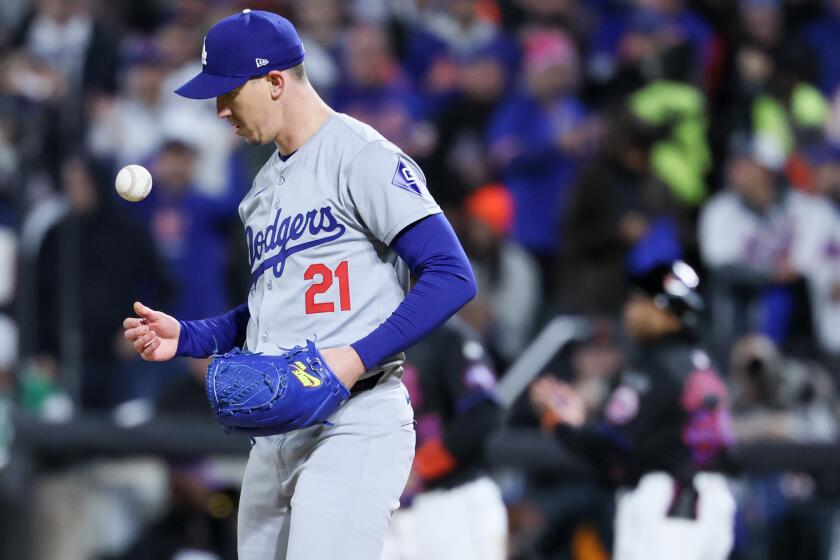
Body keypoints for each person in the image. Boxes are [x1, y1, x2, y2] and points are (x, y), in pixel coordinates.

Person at [121, 10, 476, 560]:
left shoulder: (362, 155)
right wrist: (189, 336)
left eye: (228, 93)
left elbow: (452, 275)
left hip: (354, 420)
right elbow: (272, 305)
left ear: (275, 81)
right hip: (278, 431)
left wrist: (356, 357)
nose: (220, 111)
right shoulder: (263, 186)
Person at [530, 260, 736, 560]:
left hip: (670, 508)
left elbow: (613, 450)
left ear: (663, 311)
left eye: (640, 301)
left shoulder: (655, 369)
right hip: (710, 505)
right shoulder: (702, 365)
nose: (630, 311)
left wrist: (561, 423)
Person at [381, 316, 506, 560]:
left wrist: (419, 467)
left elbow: (482, 415)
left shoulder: (446, 333)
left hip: (453, 502)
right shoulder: (369, 335)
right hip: (392, 510)